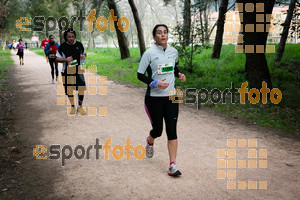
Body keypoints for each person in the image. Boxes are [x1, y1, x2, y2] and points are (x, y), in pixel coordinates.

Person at [137, 24, 186, 176]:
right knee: (158, 130)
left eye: (165, 32)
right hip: (154, 98)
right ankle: (150, 141)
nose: (163, 35)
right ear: (154, 37)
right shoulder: (149, 53)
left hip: (171, 96)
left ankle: (172, 165)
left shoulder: (173, 52)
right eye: (159, 33)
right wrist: (154, 83)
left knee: (172, 131)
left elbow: (174, 67)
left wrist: (179, 74)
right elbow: (140, 74)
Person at [56, 28, 87, 116]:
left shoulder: (79, 44)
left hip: (78, 70)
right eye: (69, 37)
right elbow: (56, 58)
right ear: (66, 37)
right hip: (67, 71)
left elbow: (84, 53)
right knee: (69, 90)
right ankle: (73, 106)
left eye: (73, 37)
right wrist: (65, 59)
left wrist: (83, 56)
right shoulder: (62, 46)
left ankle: (80, 107)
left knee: (81, 89)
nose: (71, 38)